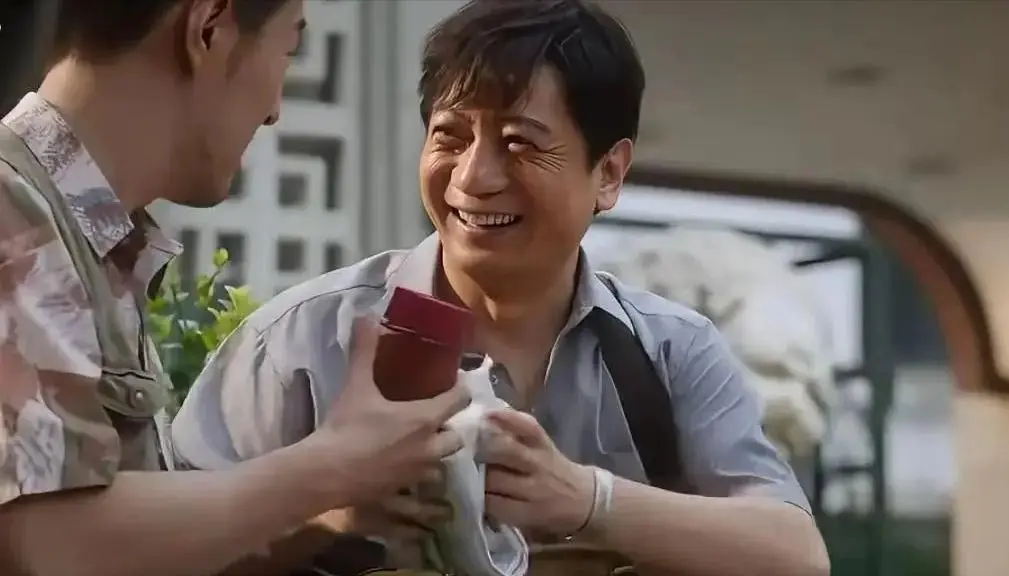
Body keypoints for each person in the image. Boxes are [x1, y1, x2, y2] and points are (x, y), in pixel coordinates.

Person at [172, 0, 830, 575]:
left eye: (518, 144)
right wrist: (327, 511)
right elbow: (158, 552)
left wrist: (587, 500)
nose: (471, 178)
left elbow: (794, 556)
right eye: (449, 137)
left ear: (608, 173)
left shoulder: (671, 352)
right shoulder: (301, 341)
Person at [0, 2, 469, 576]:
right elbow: (50, 540)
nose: (274, 110)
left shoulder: (84, 237)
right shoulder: (12, 215)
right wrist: (328, 468)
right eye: (287, 49)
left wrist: (320, 515)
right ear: (208, 27)